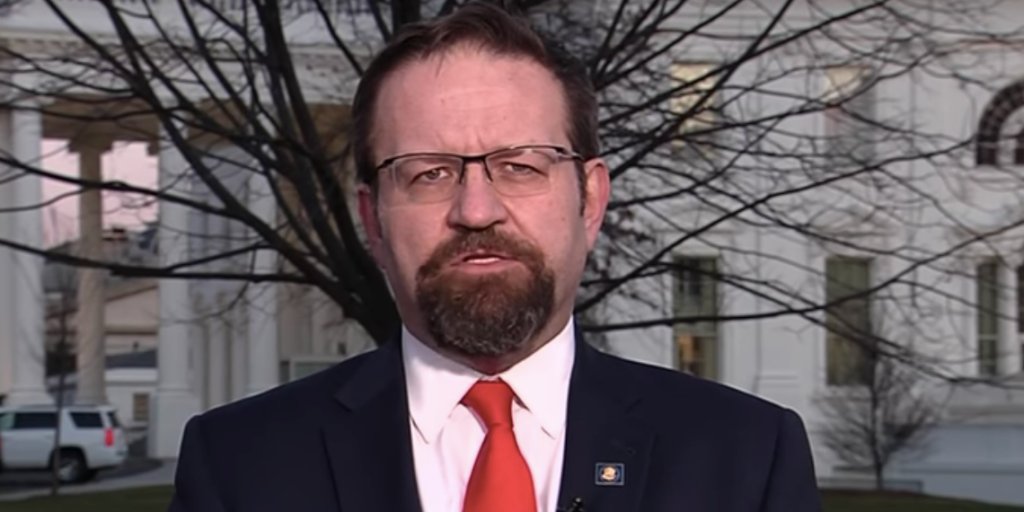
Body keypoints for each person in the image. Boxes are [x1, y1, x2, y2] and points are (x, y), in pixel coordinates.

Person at [168, 3, 822, 511]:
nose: (477, 210)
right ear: (372, 219)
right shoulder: (239, 465)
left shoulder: (746, 458)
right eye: (428, 173)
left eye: (521, 166)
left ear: (590, 200)